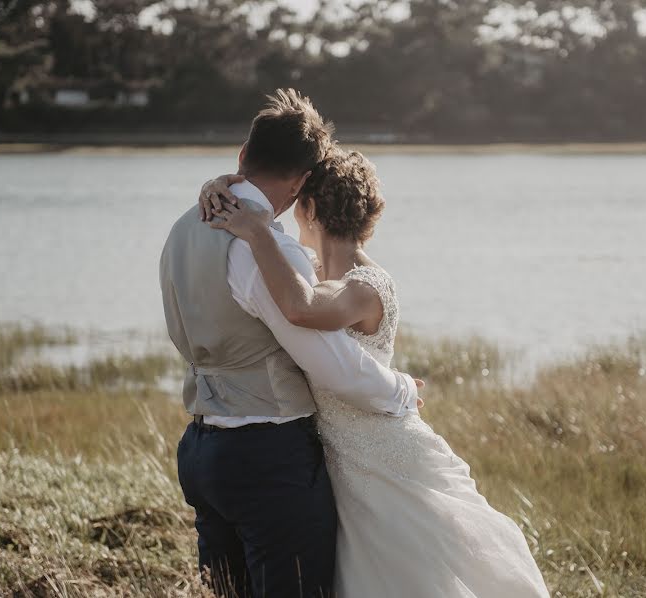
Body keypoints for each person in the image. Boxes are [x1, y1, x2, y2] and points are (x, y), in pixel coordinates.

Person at [198, 147, 550, 597]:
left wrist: (257, 232)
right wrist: (216, 187)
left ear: (308, 207)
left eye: (295, 199)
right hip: (337, 458)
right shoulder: (308, 271)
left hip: (382, 454)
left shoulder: (367, 285)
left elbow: (303, 309)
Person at [159, 89, 423, 598]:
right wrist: (402, 391)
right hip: (267, 457)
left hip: (200, 449)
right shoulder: (269, 250)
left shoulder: (184, 226)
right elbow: (332, 365)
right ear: (303, 181)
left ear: (242, 155)